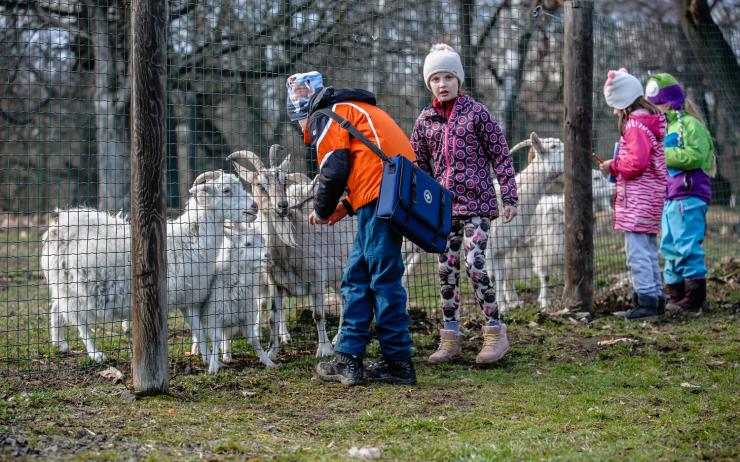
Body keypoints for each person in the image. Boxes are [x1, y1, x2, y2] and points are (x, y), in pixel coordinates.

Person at [286, 71, 417, 386]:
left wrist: (321, 209)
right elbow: (367, 162)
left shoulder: (325, 115)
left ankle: (398, 362)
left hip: (381, 197)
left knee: (383, 279)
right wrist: (344, 207)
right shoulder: (355, 110)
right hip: (390, 194)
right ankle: (348, 358)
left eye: (297, 122)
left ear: (302, 111)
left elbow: (334, 170)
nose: (302, 129)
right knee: (357, 276)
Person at [410, 44, 518, 365]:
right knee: (445, 269)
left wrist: (509, 195)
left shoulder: (477, 113)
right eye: (435, 79)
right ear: (429, 84)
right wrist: (419, 204)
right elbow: (419, 165)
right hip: (444, 210)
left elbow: (500, 153)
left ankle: (495, 333)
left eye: (448, 77)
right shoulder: (425, 120)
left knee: (475, 262)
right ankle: (451, 336)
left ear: (459, 78)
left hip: (478, 205)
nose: (442, 84)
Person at [599, 68, 667, 321]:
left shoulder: (636, 126)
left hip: (639, 197)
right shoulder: (649, 122)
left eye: (616, 107)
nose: (615, 112)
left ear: (625, 103)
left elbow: (636, 163)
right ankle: (655, 299)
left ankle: (646, 304)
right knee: (648, 249)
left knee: (637, 252)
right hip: (650, 196)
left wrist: (613, 166)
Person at [645, 73, 715, 314]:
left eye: (656, 104)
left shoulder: (690, 125)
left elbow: (698, 156)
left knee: (687, 245)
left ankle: (695, 299)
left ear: (668, 103)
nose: (654, 110)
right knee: (670, 246)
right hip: (670, 198)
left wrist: (663, 156)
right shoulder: (667, 127)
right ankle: (677, 296)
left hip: (689, 195)